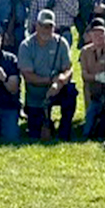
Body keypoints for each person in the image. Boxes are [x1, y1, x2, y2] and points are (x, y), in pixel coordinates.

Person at [17, 9, 77, 139]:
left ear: (54, 27)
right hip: (36, 93)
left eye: (49, 26)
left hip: (57, 89)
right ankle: (45, 122)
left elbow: (68, 69)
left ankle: (64, 130)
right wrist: (50, 81)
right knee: (35, 132)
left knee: (71, 90)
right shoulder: (26, 46)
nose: (46, 30)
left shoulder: (61, 43)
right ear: (36, 26)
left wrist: (60, 81)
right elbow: (28, 76)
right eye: (43, 26)